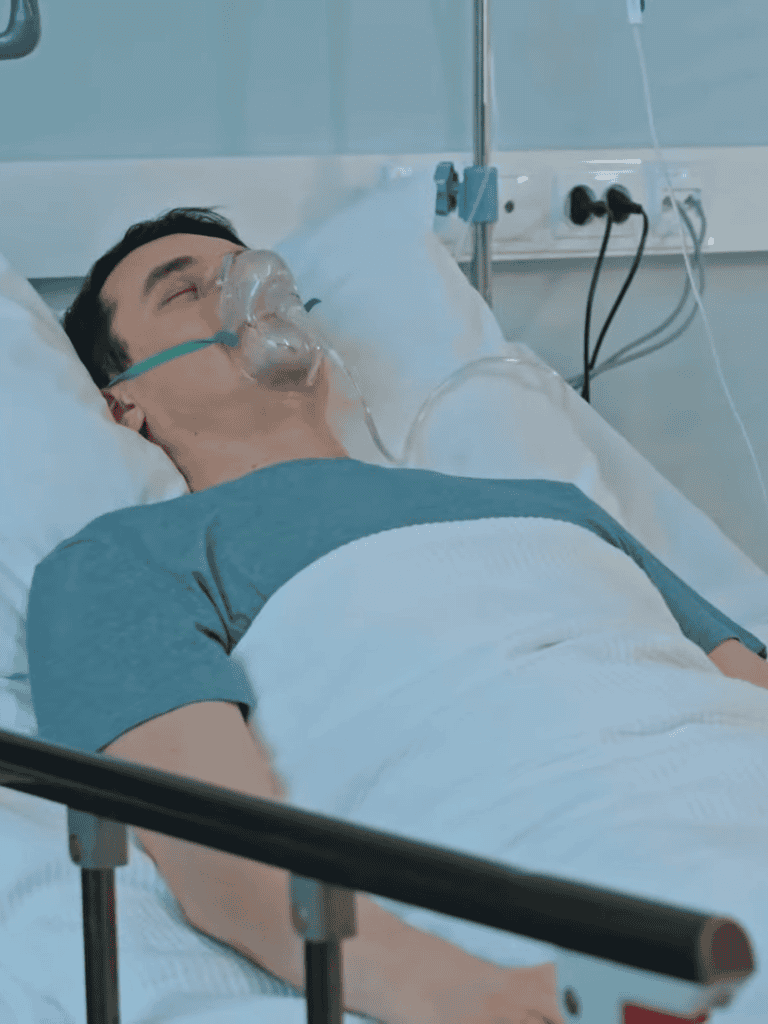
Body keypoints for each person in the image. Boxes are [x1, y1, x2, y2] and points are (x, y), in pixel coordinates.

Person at [39, 207, 768, 1024]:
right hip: (598, 876)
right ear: (123, 405)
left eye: (252, 272)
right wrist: (477, 998)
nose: (243, 294)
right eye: (186, 293)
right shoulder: (124, 560)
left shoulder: (550, 503)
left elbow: (747, 684)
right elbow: (223, 857)